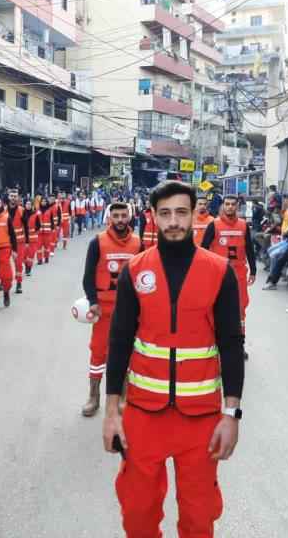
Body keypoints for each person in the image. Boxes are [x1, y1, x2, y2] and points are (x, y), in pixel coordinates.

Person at [103, 180, 244, 538]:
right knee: (137, 511)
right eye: (164, 213)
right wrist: (111, 413)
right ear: (152, 217)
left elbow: (231, 342)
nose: (174, 221)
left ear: (194, 214)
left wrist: (231, 415)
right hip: (144, 417)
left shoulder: (218, 271)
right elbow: (119, 341)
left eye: (181, 212)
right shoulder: (135, 270)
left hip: (201, 420)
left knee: (199, 517)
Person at [80, 202, 140, 417]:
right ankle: (93, 397)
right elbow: (88, 277)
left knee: (127, 352)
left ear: (129, 217)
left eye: (124, 215)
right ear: (109, 218)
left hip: (129, 310)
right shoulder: (97, 242)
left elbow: (144, 278)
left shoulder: (138, 243)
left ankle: (123, 396)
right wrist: (93, 301)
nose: (121, 220)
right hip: (103, 308)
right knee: (98, 351)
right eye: (116, 216)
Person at [202, 195, 257, 358]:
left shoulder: (243, 226)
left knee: (239, 311)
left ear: (238, 206)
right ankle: (213, 343)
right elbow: (203, 249)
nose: (230, 207)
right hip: (218, 274)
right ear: (223, 206)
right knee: (214, 308)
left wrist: (253, 270)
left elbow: (249, 249)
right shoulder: (214, 225)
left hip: (239, 274)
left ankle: (239, 345)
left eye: (233, 204)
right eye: (227, 204)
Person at [7, 190, 27, 293]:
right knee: (4, 263)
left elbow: (26, 226)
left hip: (19, 242)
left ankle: (19, 283)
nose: (13, 198)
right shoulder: (3, 210)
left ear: (18, 198)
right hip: (6, 242)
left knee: (18, 263)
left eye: (15, 196)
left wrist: (27, 241)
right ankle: (3, 282)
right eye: (12, 196)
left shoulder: (21, 210)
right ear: (8, 197)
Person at [23, 197, 41, 274]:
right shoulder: (22, 214)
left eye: (30, 204)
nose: (28, 205)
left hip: (32, 239)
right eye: (27, 204)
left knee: (31, 255)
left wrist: (33, 231)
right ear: (25, 205)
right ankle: (26, 265)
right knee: (23, 256)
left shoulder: (35, 214)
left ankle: (29, 268)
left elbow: (38, 226)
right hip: (23, 239)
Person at [38, 197, 54, 265]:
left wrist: (52, 228)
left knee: (47, 246)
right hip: (39, 232)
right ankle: (39, 259)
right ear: (40, 202)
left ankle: (46, 257)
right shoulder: (38, 211)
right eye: (42, 201)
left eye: (45, 201)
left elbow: (52, 220)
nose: (43, 202)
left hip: (47, 232)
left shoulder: (49, 210)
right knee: (38, 247)